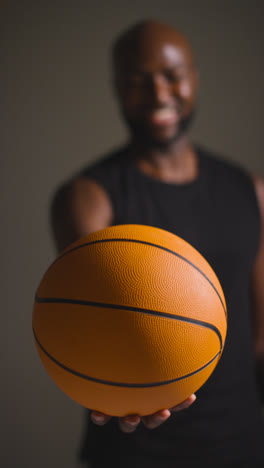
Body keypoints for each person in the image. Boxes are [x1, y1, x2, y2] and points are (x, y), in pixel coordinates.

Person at [51, 20, 264, 468]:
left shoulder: (250, 190)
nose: (158, 92)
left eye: (172, 74)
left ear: (194, 77)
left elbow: (261, 335)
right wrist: (115, 398)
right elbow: (90, 330)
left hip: (241, 443)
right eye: (137, 79)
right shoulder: (89, 197)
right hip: (135, 452)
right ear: (116, 89)